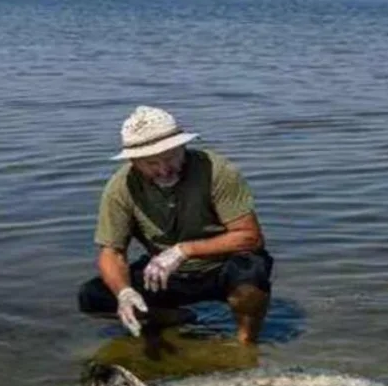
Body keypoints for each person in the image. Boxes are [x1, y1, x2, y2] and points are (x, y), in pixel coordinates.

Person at [77, 105, 273, 345]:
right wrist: (124, 292)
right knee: (93, 296)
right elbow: (112, 252)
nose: (164, 169)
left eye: (171, 157)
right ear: (133, 161)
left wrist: (184, 250)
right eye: (151, 163)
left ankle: (246, 343)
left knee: (250, 280)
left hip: (222, 266)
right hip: (165, 274)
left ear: (183, 146)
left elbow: (250, 237)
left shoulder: (217, 170)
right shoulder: (120, 188)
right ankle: (176, 318)